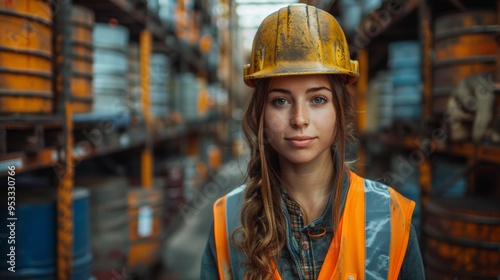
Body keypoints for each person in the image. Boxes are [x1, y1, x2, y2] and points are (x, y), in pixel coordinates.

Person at [201, 3, 425, 280]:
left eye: (318, 99)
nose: (299, 119)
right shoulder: (228, 219)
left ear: (339, 112)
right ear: (260, 114)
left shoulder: (391, 216)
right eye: (280, 101)